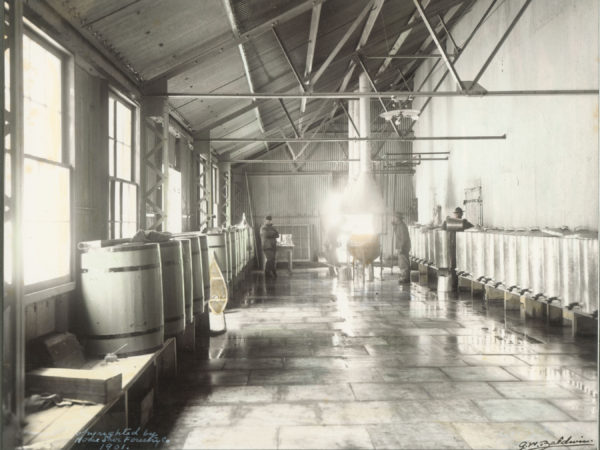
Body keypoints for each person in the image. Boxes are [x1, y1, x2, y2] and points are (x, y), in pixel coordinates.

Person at [392, 212, 411, 283]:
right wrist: (394, 226)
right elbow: (397, 234)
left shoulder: (402, 226)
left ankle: (405, 278)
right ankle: (404, 276)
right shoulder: (399, 226)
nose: (393, 219)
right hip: (401, 246)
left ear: (398, 218)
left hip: (403, 247)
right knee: (401, 262)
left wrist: (401, 247)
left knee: (403, 263)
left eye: (394, 217)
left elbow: (404, 238)